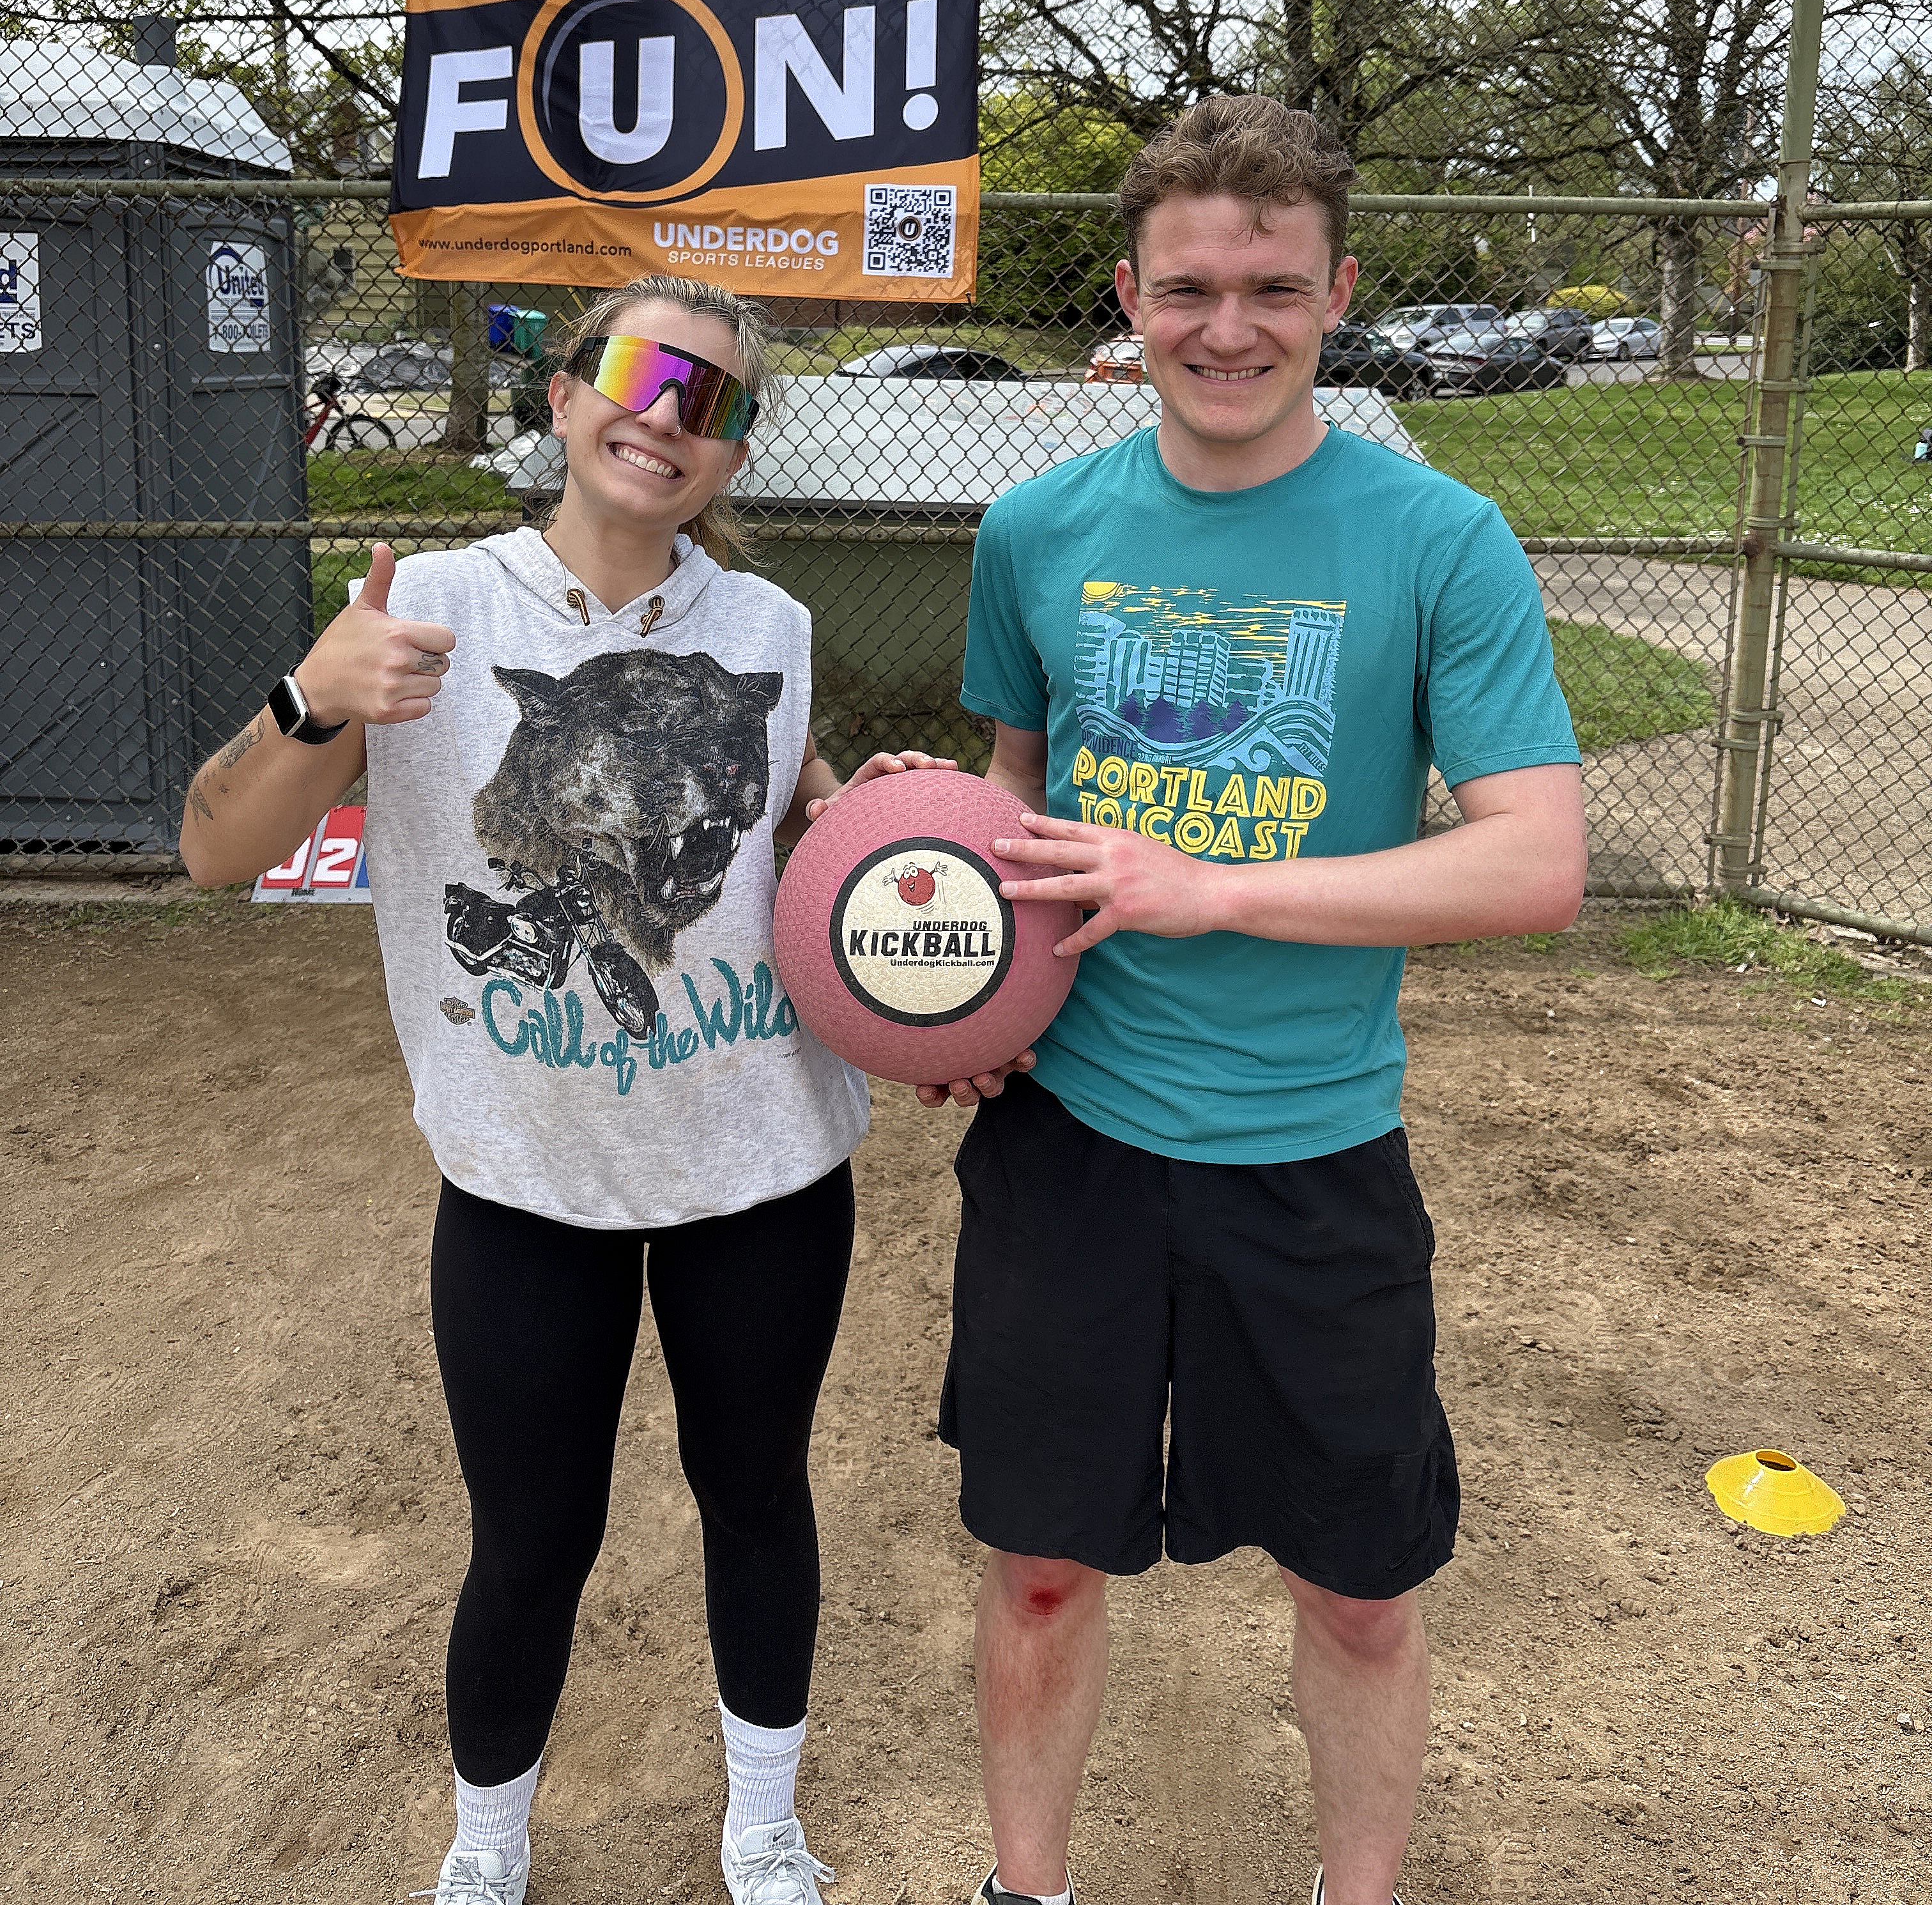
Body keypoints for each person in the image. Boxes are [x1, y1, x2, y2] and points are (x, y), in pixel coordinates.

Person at [180, 275, 966, 1905]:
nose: (671, 411)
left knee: (755, 1499)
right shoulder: (434, 615)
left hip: (762, 1163)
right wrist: (313, 699)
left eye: (717, 397)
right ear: (562, 393)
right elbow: (211, 850)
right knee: (532, 1540)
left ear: (736, 451)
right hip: (526, 1179)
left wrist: (867, 815)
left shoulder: (773, 633)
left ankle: (762, 1825)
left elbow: (798, 841)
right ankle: (487, 1849)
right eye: (642, 370)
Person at [925, 99, 1588, 1905]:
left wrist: (1210, 888)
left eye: (1273, 289)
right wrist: (964, 995)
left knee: (1362, 1594)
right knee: (1045, 1566)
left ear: (1336, 292)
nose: (1229, 327)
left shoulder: (1437, 536)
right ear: (1129, 295)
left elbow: (1534, 862)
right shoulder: (1037, 529)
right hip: (1074, 1146)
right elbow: (1017, 821)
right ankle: (1025, 1890)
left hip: (1315, 1154)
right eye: (1190, 288)